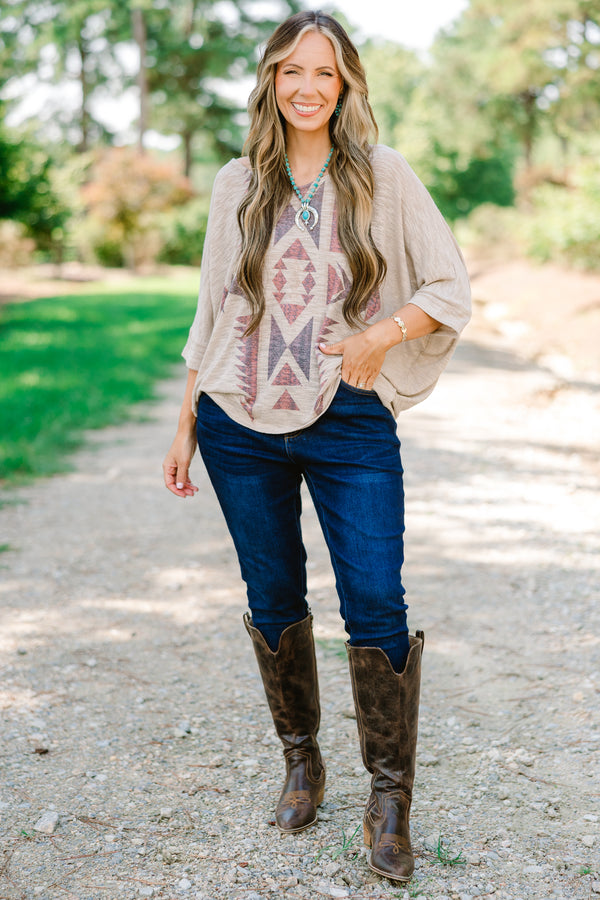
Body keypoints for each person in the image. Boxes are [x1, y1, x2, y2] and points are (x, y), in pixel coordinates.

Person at [163, 9, 470, 883]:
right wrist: (187, 420)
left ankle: (390, 798)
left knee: (376, 600)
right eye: (291, 72)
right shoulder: (237, 183)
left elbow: (451, 285)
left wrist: (382, 336)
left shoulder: (384, 175)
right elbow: (212, 310)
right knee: (272, 594)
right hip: (237, 420)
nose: (307, 88)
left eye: (325, 75)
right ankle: (302, 761)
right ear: (269, 80)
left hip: (349, 419)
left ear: (346, 87)